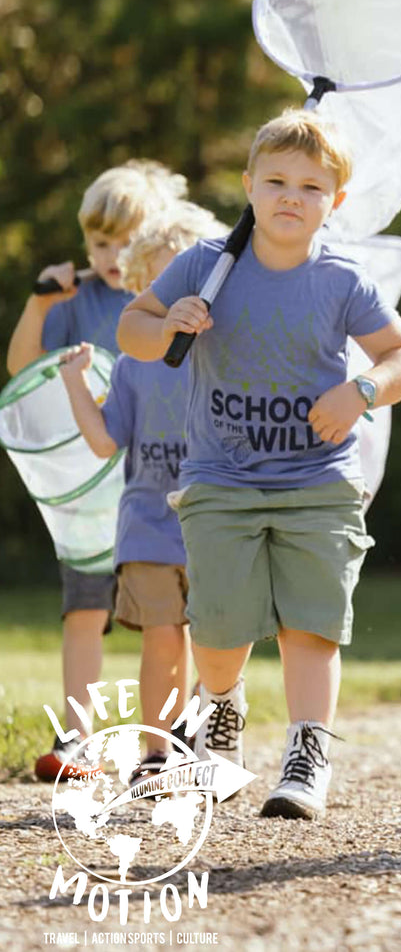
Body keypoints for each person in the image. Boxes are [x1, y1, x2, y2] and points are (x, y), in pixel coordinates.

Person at [117, 109, 401, 819]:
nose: (293, 196)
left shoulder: (343, 279)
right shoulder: (206, 263)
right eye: (278, 181)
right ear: (250, 187)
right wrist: (167, 323)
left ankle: (305, 753)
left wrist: (364, 389)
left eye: (312, 187)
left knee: (310, 624)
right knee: (219, 633)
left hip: (319, 482)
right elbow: (132, 328)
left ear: (335, 203)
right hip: (220, 479)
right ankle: (222, 700)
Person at [6, 160, 184, 782]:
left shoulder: (163, 296)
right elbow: (21, 371)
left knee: (166, 620)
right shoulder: (74, 300)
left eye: (126, 242)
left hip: (156, 486)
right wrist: (40, 302)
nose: (112, 256)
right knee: (85, 609)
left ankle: (171, 740)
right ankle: (77, 741)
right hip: (91, 491)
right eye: (100, 242)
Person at [58, 208, 227, 784]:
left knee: (218, 644)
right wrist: (75, 383)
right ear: (142, 290)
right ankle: (157, 755)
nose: (178, 299)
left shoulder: (226, 356)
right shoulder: (132, 366)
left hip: (216, 525)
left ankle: (211, 746)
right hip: (150, 527)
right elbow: (106, 442)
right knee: (161, 640)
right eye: (162, 286)